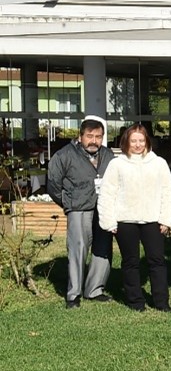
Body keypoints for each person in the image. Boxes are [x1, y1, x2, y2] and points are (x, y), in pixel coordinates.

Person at [97, 124, 171, 312]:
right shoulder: (117, 164)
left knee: (157, 260)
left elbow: (168, 192)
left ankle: (161, 302)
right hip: (126, 220)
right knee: (130, 261)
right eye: (134, 141)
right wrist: (109, 221)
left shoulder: (159, 163)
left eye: (141, 140)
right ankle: (135, 301)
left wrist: (166, 219)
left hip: (153, 220)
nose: (138, 144)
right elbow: (107, 193)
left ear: (147, 141)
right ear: (127, 142)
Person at [48, 117, 114, 308]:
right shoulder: (64, 155)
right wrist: (68, 202)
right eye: (90, 136)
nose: (94, 141)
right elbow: (53, 184)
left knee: (103, 249)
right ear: (80, 136)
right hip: (79, 209)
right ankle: (73, 294)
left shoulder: (108, 155)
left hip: (103, 209)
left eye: (98, 137)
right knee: (78, 250)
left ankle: (94, 289)